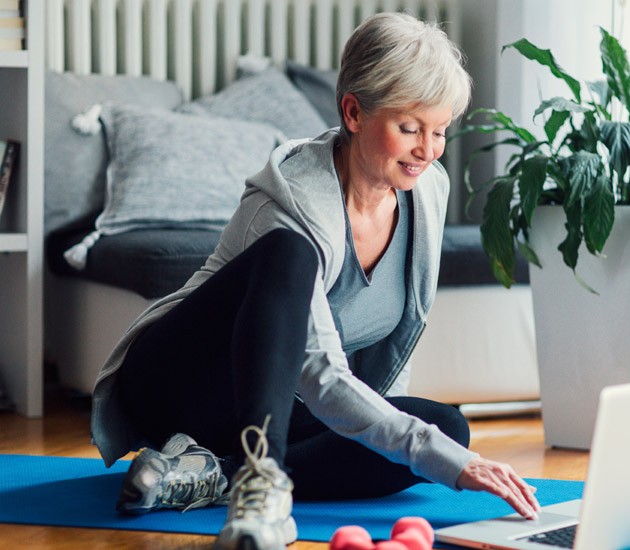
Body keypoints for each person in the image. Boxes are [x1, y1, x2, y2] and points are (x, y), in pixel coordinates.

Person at [91, 11, 541, 550]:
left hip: (286, 403)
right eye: (410, 128)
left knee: (446, 430)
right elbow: (319, 368)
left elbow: (387, 351)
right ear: (353, 111)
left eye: (440, 130)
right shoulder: (290, 199)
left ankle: (212, 474)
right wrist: (443, 460)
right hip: (183, 383)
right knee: (288, 255)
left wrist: (433, 446)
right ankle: (262, 482)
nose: (428, 148)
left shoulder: (428, 189)